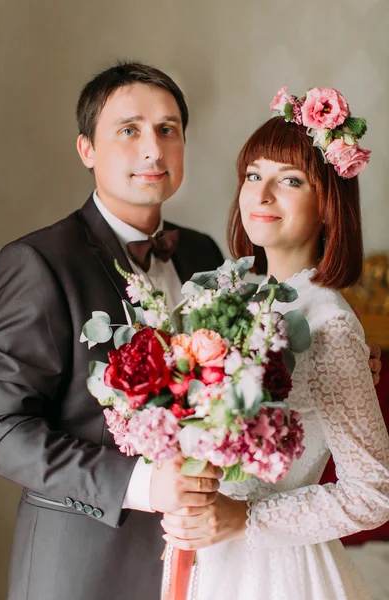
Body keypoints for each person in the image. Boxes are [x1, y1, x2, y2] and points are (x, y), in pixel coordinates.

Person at [0, 61, 224, 600]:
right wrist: (140, 484)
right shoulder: (38, 262)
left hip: (202, 560)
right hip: (81, 565)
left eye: (168, 130)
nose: (153, 149)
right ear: (86, 150)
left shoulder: (202, 253)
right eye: (129, 130)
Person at [160, 87, 389, 599]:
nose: (261, 195)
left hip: (274, 569)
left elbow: (373, 491)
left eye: (289, 180)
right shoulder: (227, 296)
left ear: (328, 205)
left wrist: (243, 517)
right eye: (252, 176)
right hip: (205, 553)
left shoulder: (329, 321)